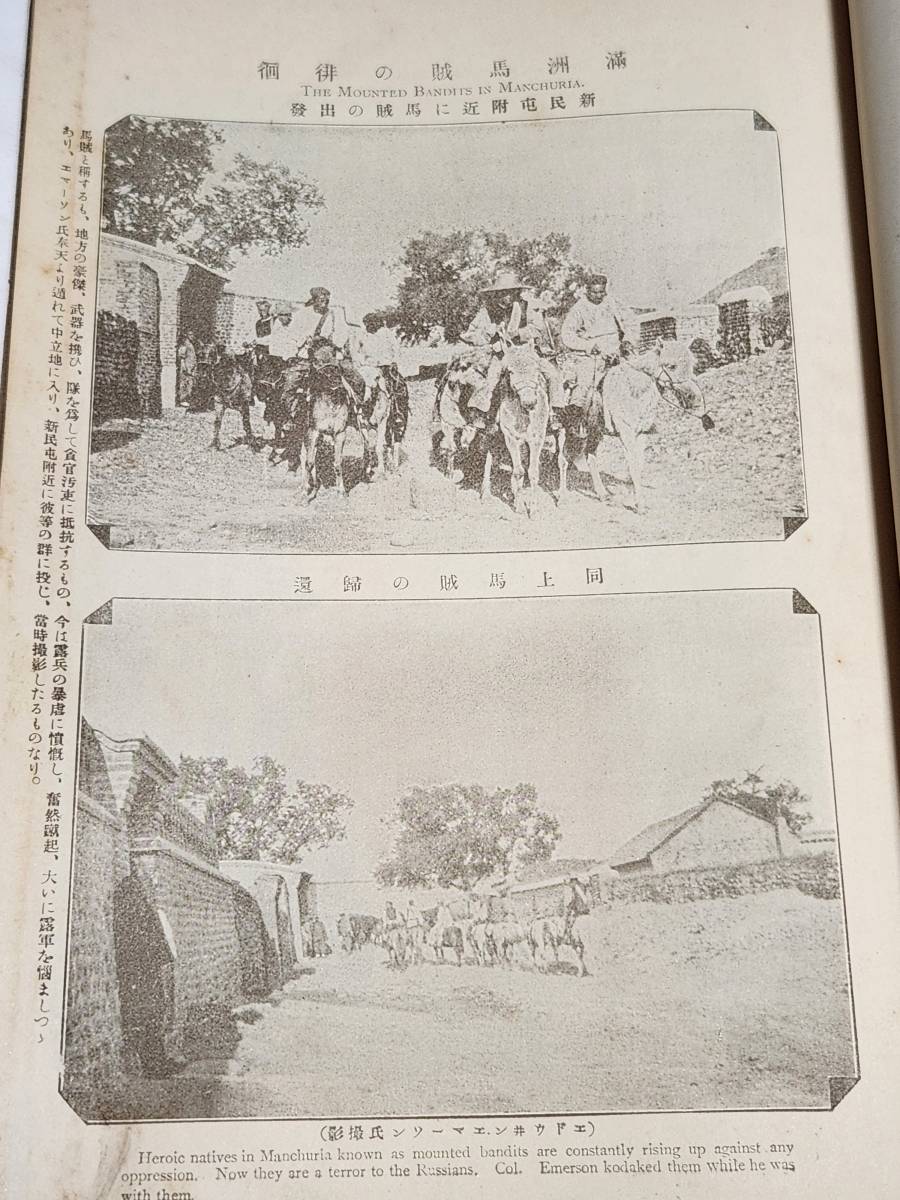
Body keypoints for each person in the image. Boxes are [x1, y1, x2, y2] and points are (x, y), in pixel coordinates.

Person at [560, 273, 631, 409]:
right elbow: (567, 335)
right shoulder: (579, 309)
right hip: (592, 356)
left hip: (616, 352)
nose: (599, 296)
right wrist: (588, 346)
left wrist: (627, 340)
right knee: (584, 385)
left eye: (602, 292)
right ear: (587, 290)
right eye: (595, 292)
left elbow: (629, 321)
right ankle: (574, 419)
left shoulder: (612, 304)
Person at [459, 273, 526, 415]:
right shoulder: (487, 311)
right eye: (503, 292)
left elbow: (536, 329)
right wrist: (488, 336)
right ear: (497, 293)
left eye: (511, 292)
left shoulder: (524, 308)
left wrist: (520, 334)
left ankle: (553, 417)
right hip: (499, 355)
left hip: (524, 352)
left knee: (546, 375)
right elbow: (470, 333)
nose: (508, 296)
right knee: (491, 379)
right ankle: (479, 415)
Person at [176, 330, 197, 408]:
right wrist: (184, 366)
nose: (192, 337)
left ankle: (187, 399)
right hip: (186, 368)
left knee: (189, 384)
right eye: (191, 335)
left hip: (190, 368)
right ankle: (183, 400)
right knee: (184, 384)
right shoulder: (185, 344)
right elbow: (182, 357)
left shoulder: (190, 344)